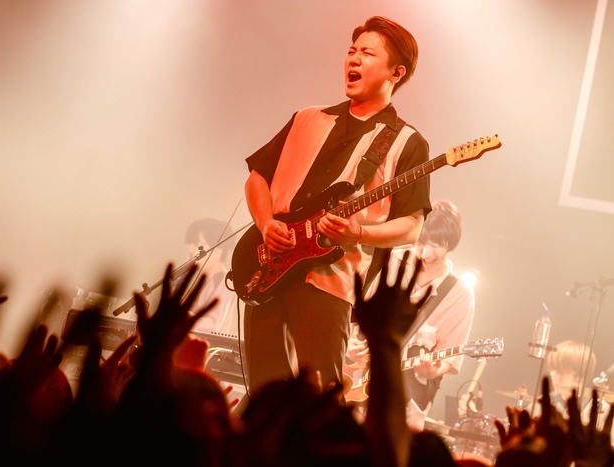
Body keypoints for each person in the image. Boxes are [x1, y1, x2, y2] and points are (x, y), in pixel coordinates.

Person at [242, 16, 432, 395]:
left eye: (368, 54)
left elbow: (412, 226)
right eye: (351, 51)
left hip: (331, 280)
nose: (354, 59)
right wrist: (266, 224)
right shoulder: (307, 118)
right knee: (264, 390)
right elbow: (257, 179)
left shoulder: (408, 142)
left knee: (321, 395)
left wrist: (358, 232)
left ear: (396, 72)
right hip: (270, 265)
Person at [347, 199, 475, 431]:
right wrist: (349, 343)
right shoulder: (392, 260)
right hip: (357, 382)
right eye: (421, 243)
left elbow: (450, 355)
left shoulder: (459, 294)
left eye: (436, 245)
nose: (425, 253)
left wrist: (435, 369)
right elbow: (357, 313)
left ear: (450, 243)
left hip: (408, 401)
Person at [183, 218, 239, 336]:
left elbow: (213, 326)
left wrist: (182, 314)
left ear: (218, 249)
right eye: (190, 244)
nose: (190, 250)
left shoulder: (225, 281)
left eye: (198, 245)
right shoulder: (205, 280)